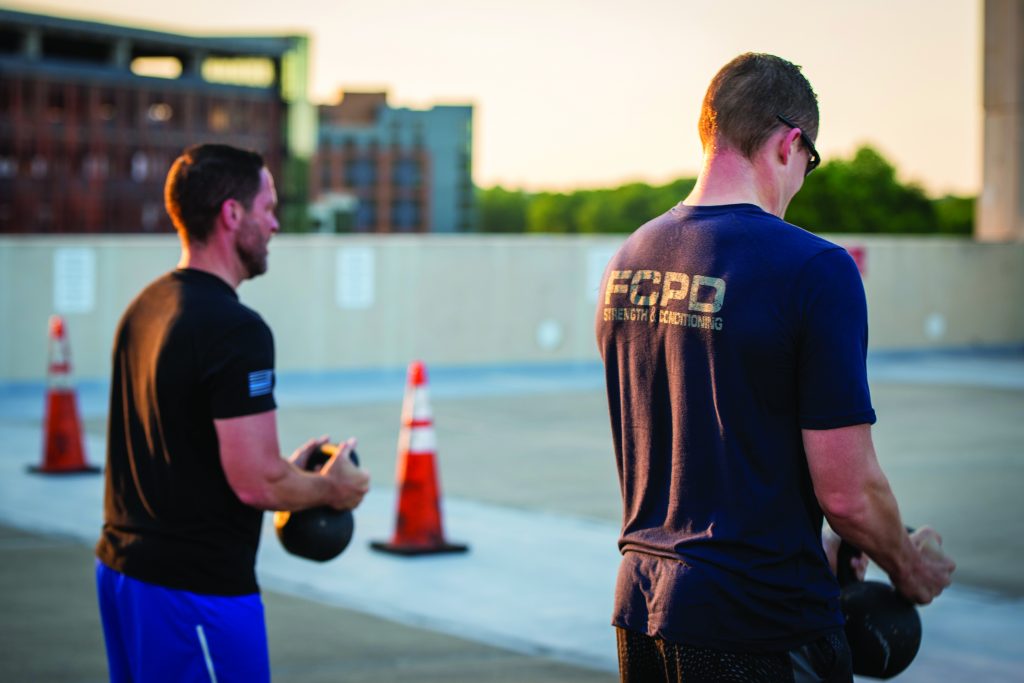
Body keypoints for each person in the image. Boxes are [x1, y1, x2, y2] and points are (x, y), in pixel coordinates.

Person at [595, 53, 955, 682]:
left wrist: (803, 533)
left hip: (643, 607)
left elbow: (696, 460)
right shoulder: (815, 269)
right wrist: (907, 564)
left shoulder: (629, 261)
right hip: (758, 625)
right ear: (792, 143)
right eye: (809, 163)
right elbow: (846, 492)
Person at [95, 143, 370, 683]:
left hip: (121, 575)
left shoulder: (145, 307)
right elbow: (255, 482)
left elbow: (190, 449)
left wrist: (288, 471)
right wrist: (329, 489)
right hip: (194, 596)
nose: (275, 225)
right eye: (268, 208)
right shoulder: (235, 329)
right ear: (232, 214)